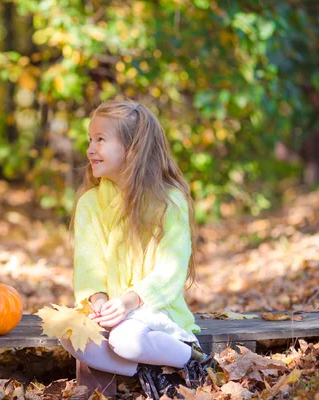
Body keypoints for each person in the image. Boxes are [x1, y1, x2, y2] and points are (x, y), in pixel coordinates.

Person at [61, 99, 212, 399]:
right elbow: (89, 263)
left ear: (133, 149)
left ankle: (192, 359)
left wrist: (131, 301)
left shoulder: (169, 201)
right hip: (115, 314)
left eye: (101, 140)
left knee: (127, 340)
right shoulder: (90, 203)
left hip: (154, 311)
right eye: (90, 139)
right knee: (71, 335)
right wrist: (99, 300)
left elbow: (172, 267)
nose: (91, 149)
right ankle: (148, 371)